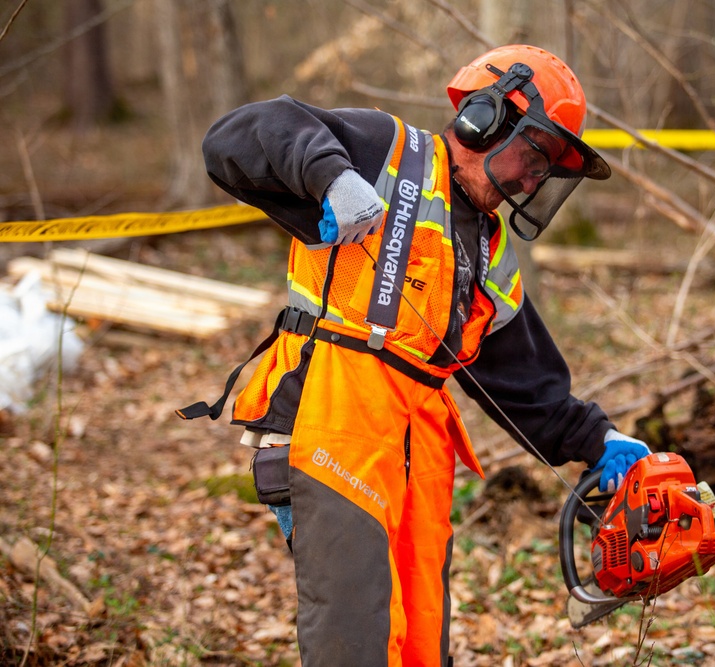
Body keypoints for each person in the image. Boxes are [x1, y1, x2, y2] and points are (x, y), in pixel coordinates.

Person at [180, 44, 651, 667]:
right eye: (533, 157)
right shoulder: (383, 150)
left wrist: (605, 441)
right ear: (486, 118)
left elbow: (525, 384)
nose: (530, 182)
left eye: (544, 173)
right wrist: (331, 175)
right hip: (332, 418)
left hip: (416, 447)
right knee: (354, 633)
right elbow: (237, 136)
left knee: (422, 636)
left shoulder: (489, 248)